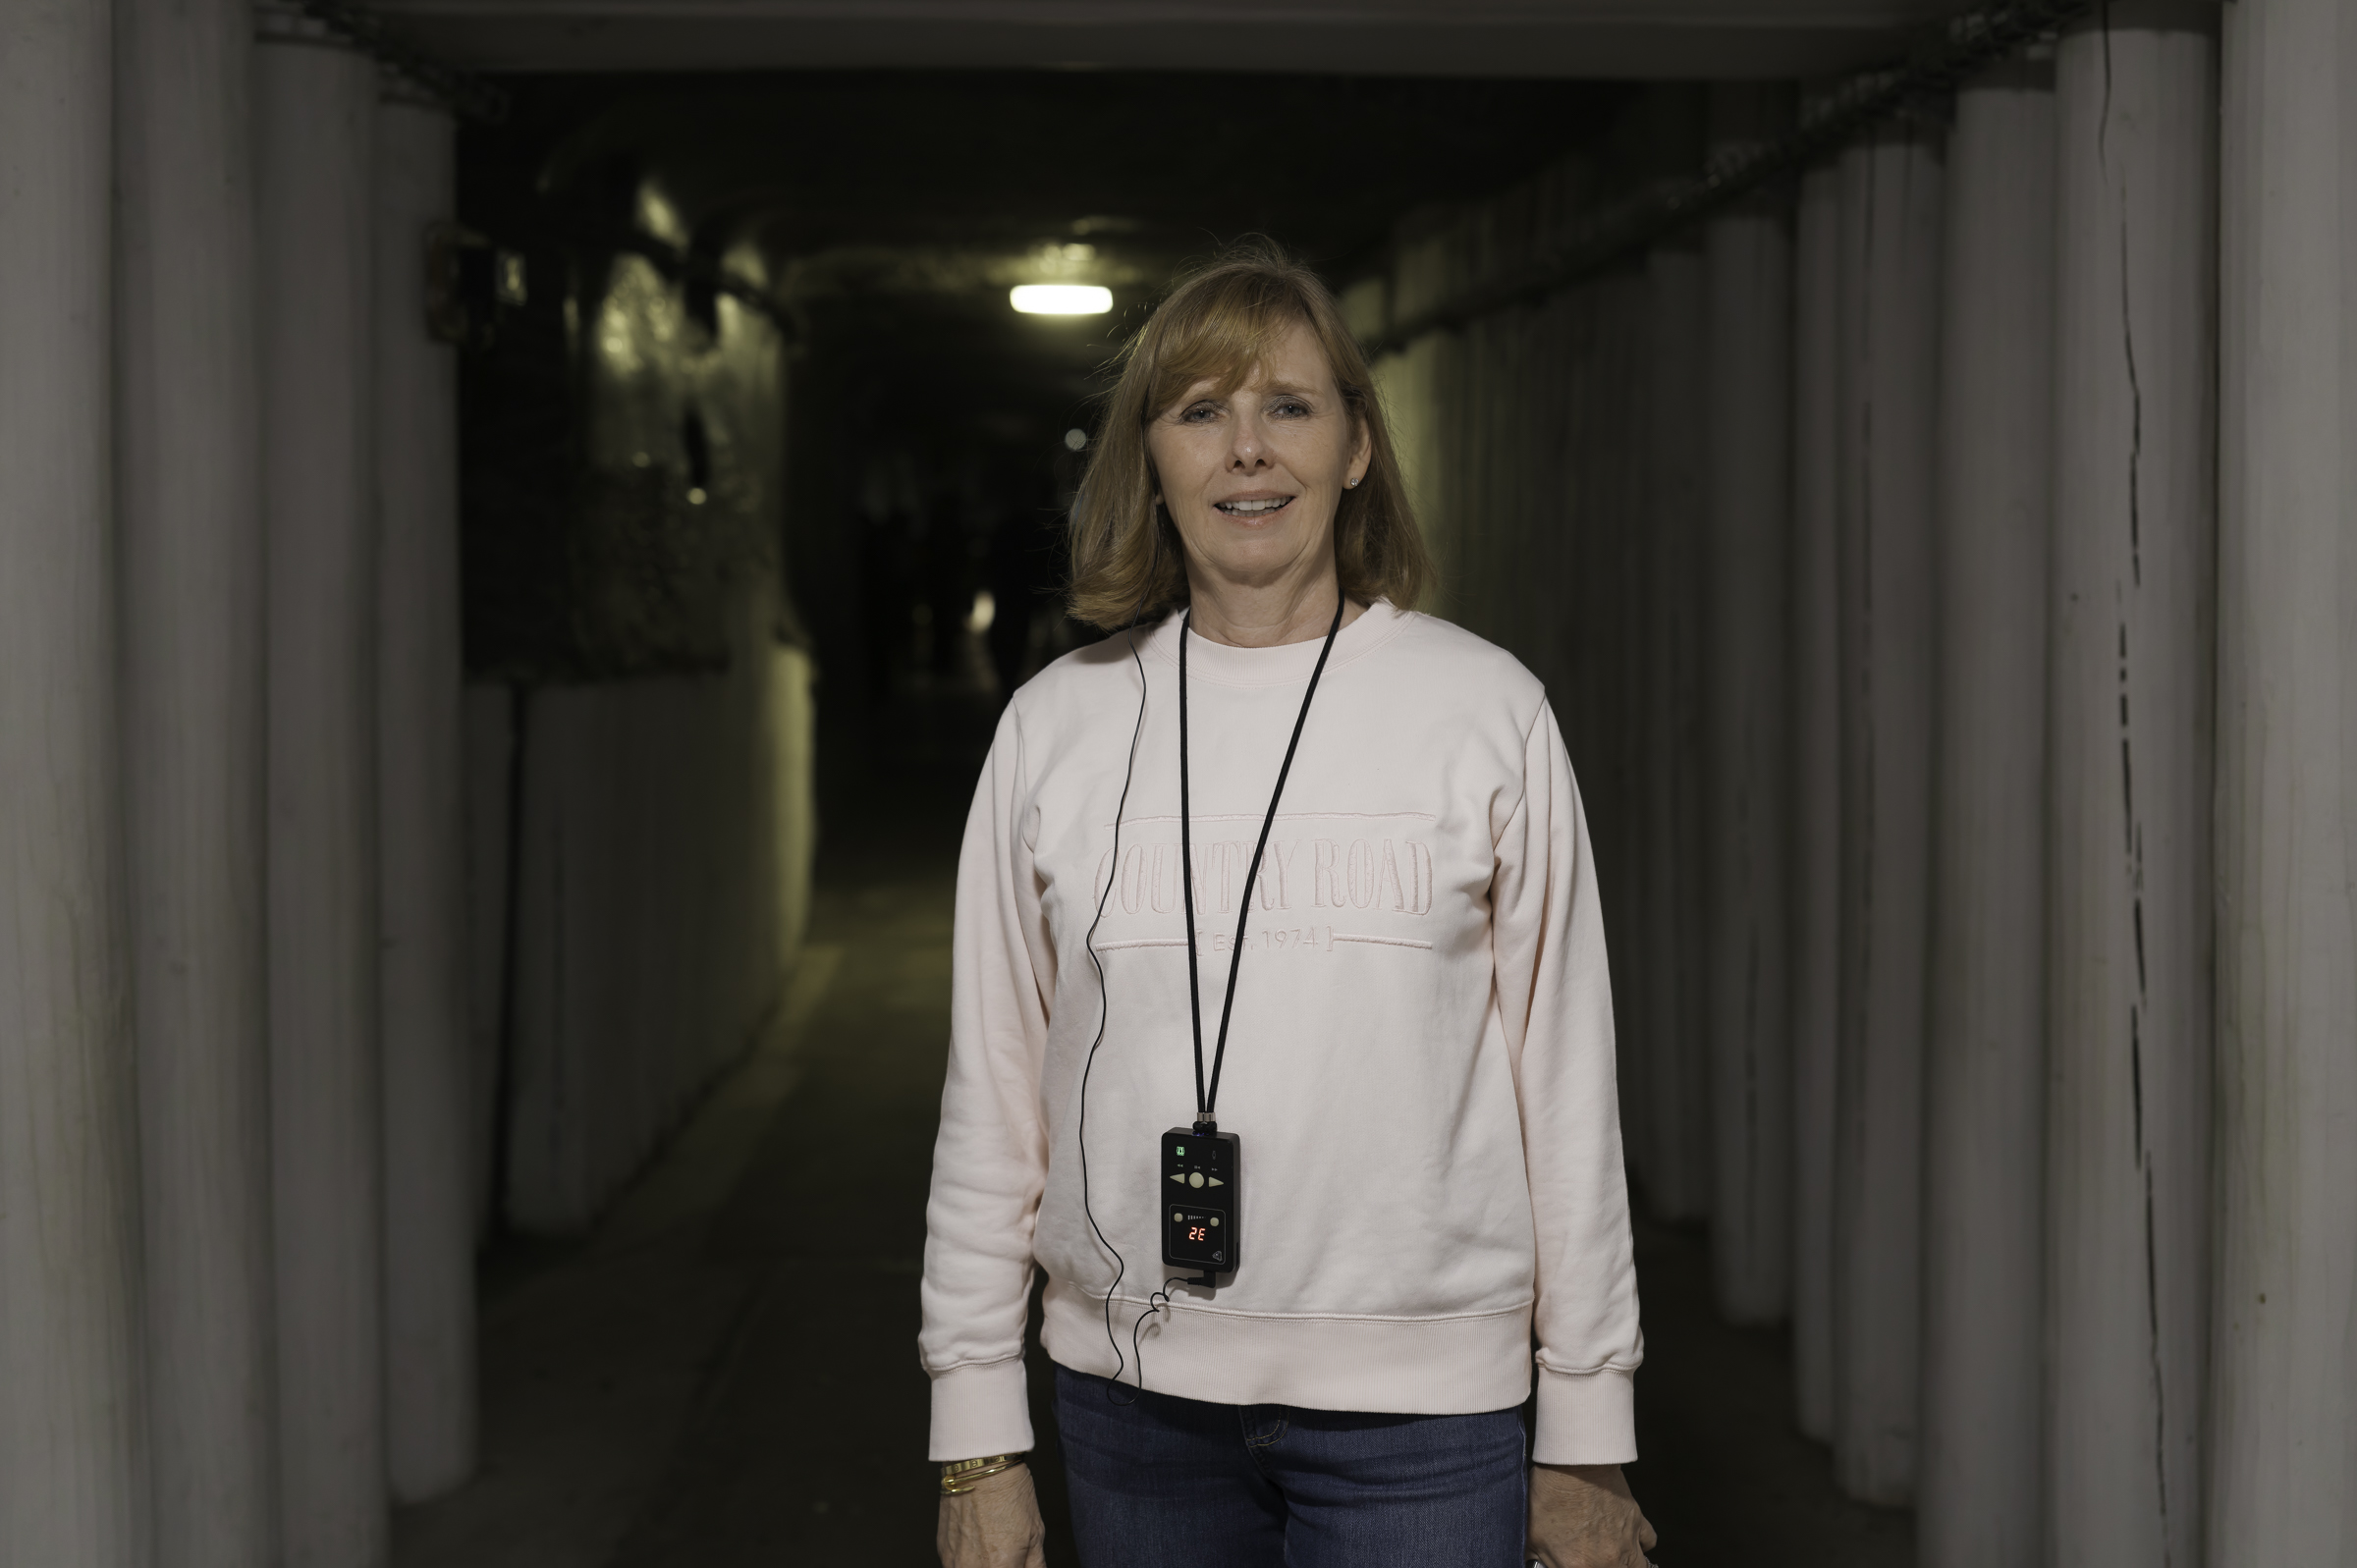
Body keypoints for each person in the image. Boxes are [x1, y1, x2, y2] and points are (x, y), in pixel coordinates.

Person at [920, 243, 1655, 1568]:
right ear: (1150, 457)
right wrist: (975, 1431)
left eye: (1288, 407)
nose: (1245, 450)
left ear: (1357, 445)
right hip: (1134, 1404)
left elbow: (1569, 1089)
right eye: (1201, 412)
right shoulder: (1056, 728)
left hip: (1425, 1419)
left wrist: (1588, 1427)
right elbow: (994, 1092)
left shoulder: (1483, 712)